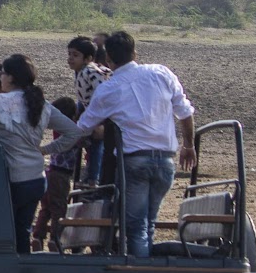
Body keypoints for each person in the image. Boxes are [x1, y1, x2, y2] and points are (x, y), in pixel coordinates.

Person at [76, 31, 196, 257]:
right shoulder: (161, 72)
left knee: (136, 227)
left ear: (108, 59)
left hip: (135, 162)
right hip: (165, 162)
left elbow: (84, 126)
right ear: (135, 53)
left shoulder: (109, 88)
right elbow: (184, 112)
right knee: (148, 223)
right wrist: (188, 145)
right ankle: (149, 267)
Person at [0, 54, 82, 254]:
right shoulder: (42, 105)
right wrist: (44, 150)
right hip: (36, 179)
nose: (1, 77)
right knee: (22, 231)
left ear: (12, 78)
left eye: (4, 73)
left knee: (1, 233)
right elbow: (74, 132)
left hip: (10, 180)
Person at [30, 96, 80, 252]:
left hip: (50, 171)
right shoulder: (70, 133)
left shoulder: (57, 131)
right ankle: (55, 239)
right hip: (62, 176)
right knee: (59, 208)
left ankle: (38, 236)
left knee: (45, 207)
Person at [66, 36, 111, 185]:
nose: (71, 58)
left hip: (102, 114)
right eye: (70, 54)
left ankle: (93, 178)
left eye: (75, 55)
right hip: (91, 111)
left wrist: (100, 122)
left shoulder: (91, 71)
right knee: (91, 145)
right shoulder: (81, 71)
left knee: (96, 144)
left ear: (88, 58)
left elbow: (103, 94)